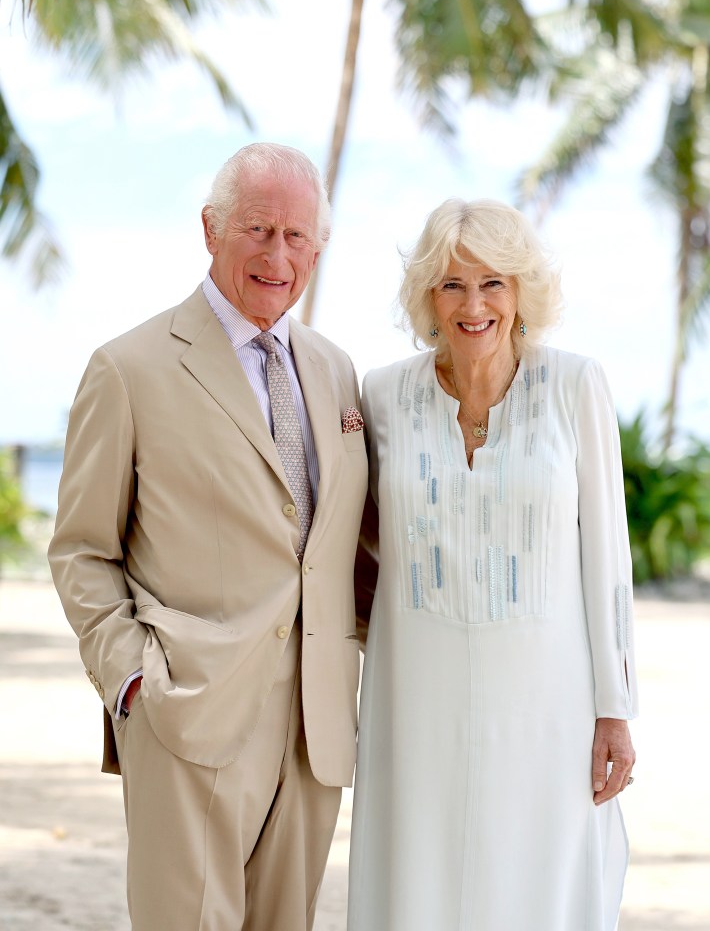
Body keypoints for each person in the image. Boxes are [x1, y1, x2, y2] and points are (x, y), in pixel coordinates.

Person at [48, 142, 372, 931]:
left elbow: (348, 547)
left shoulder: (336, 371)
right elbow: (82, 550)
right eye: (258, 229)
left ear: (319, 249)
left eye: (298, 237)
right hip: (187, 712)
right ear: (210, 229)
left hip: (315, 725)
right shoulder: (129, 368)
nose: (278, 254)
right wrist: (130, 681)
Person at [347, 198, 638, 931]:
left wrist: (616, 708)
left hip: (549, 700)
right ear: (427, 299)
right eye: (451, 285)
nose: (473, 305)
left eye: (493, 284)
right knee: (417, 876)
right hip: (414, 694)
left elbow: (608, 557)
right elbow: (350, 541)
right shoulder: (382, 395)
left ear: (521, 293)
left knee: (539, 881)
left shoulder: (575, 386)